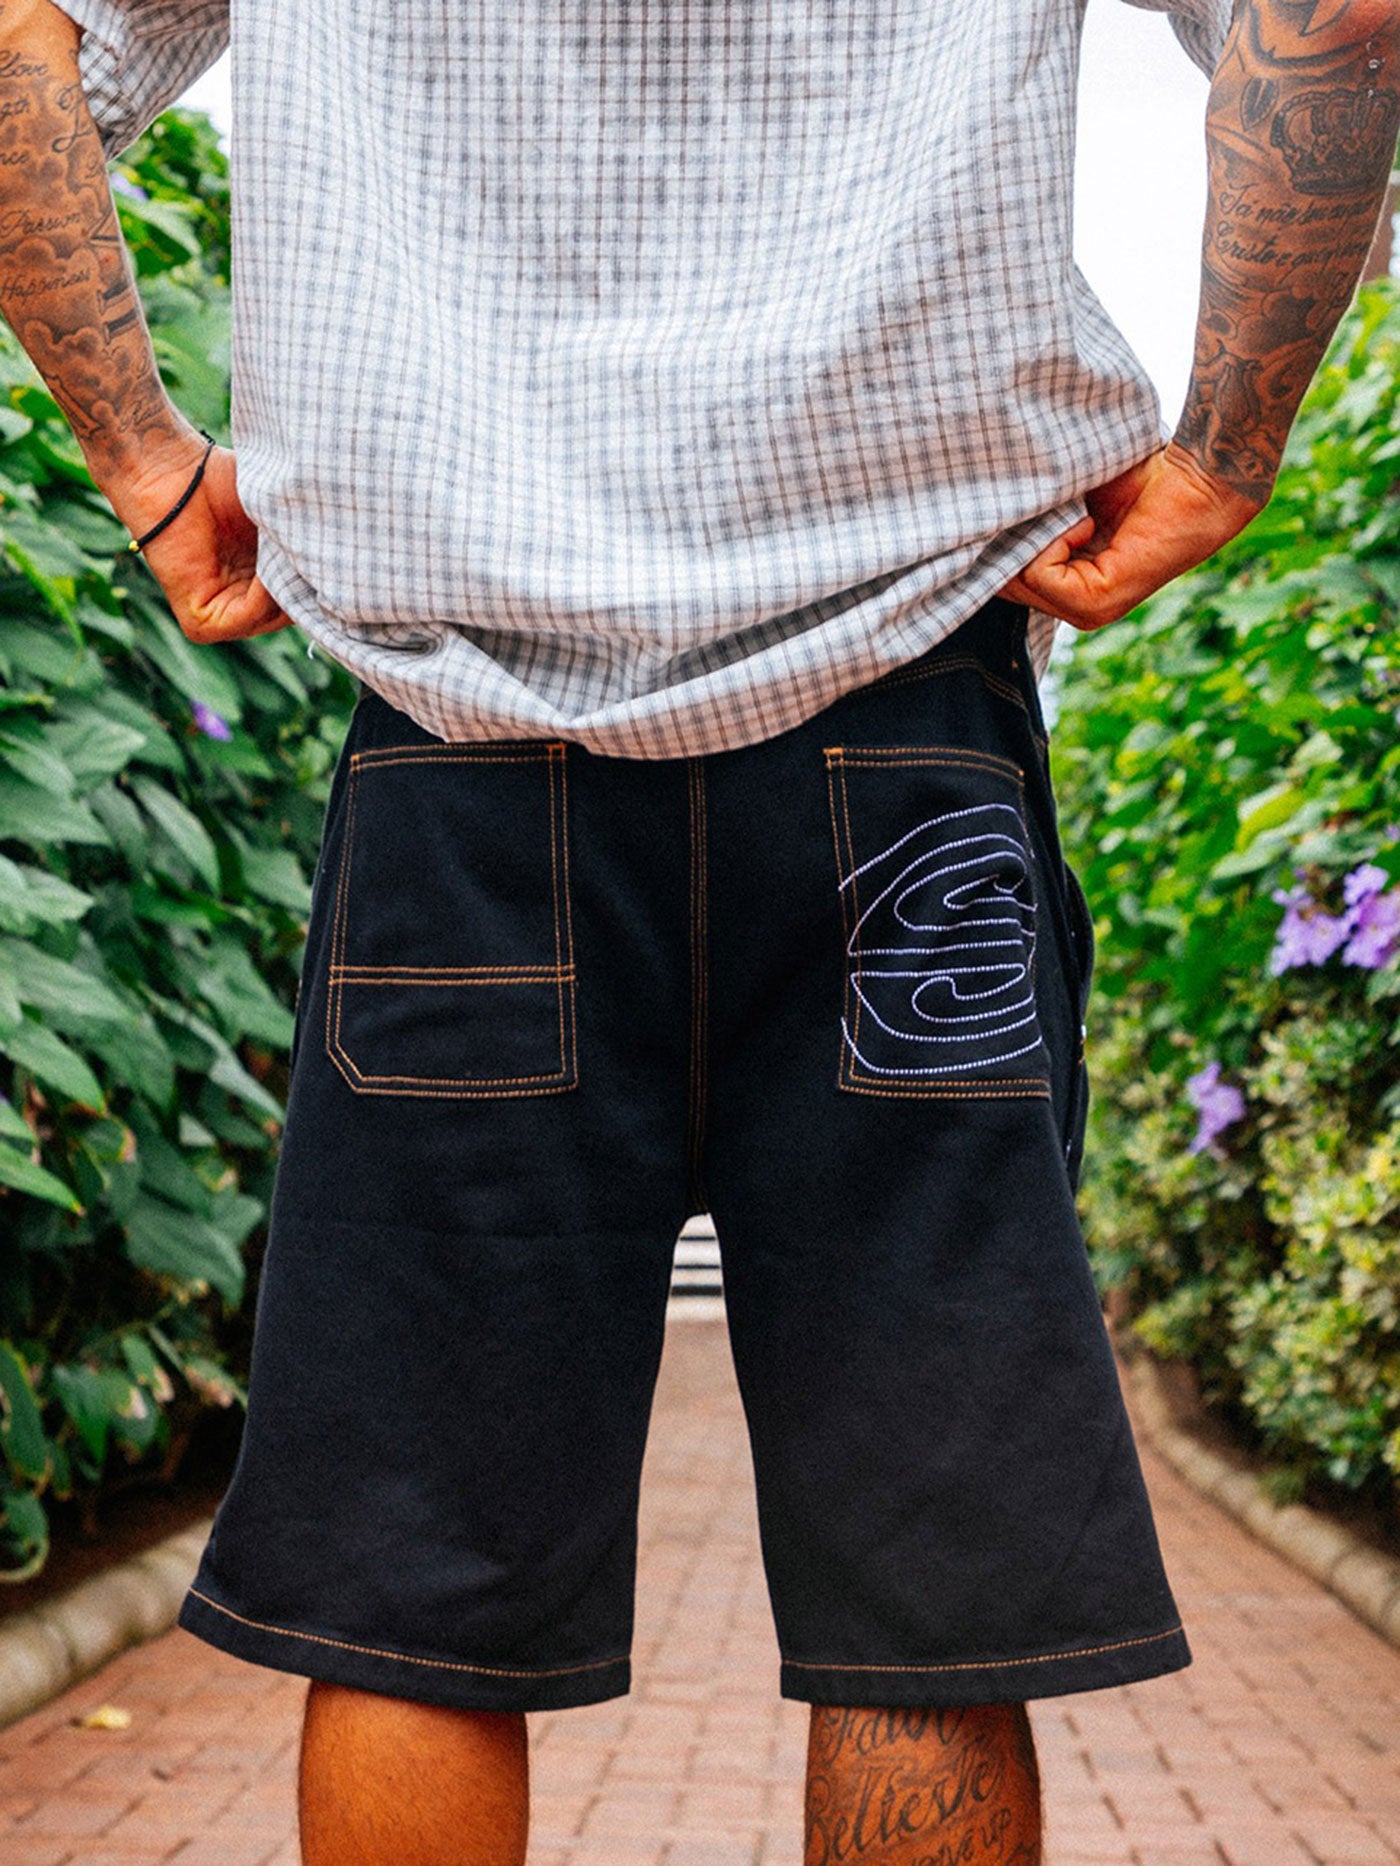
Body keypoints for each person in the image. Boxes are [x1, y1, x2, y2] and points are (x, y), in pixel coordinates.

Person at [2, 0, 1396, 1857]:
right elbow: (1333, 21)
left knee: (418, 1591)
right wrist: (1225, 447)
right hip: (904, 731)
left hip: (463, 752)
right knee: (927, 1603)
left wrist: (150, 464)